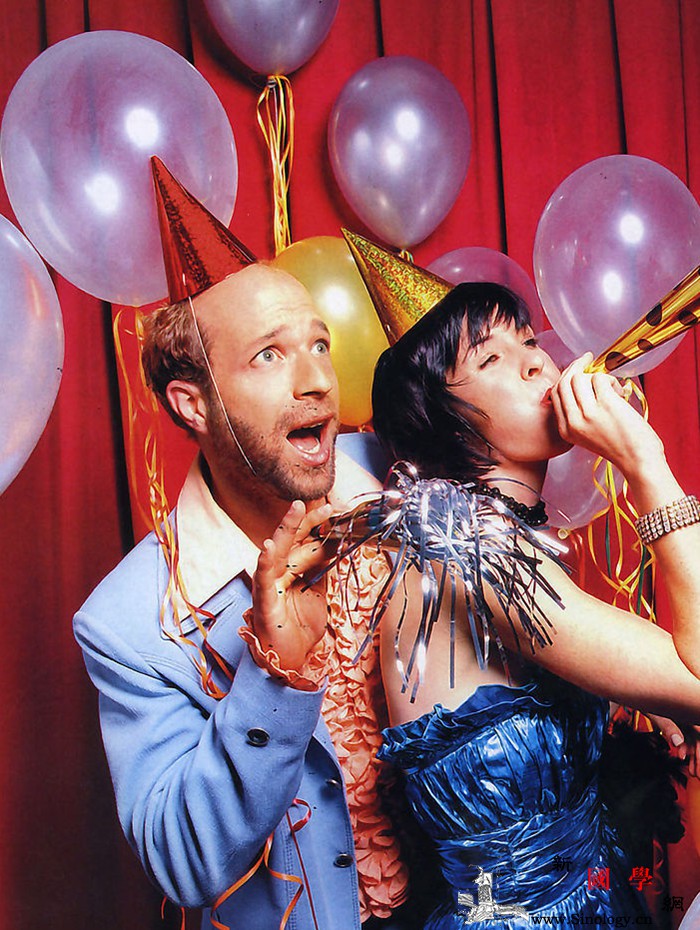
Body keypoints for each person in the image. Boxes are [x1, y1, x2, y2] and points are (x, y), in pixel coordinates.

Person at [74, 162, 413, 930]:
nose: (318, 379)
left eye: (319, 344)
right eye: (269, 355)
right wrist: (276, 675)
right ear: (192, 404)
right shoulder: (129, 623)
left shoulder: (398, 476)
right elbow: (183, 860)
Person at [357, 276, 700, 928]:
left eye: (528, 340)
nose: (537, 362)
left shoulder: (502, 536)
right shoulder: (467, 546)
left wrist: (632, 695)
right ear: (442, 420)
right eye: (491, 357)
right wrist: (645, 459)